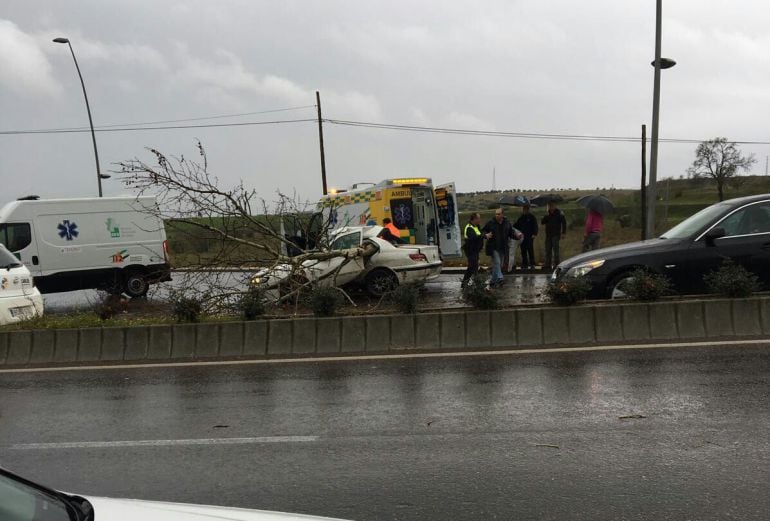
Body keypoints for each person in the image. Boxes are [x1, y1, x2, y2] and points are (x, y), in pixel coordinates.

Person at [482, 208, 522, 287]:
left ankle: (493, 281)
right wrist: (486, 235)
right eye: (496, 214)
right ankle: (500, 278)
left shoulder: (507, 223)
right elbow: (483, 231)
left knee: (499, 265)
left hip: (503, 247)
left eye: (499, 214)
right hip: (493, 246)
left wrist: (517, 237)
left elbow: (511, 233)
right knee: (497, 262)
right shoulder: (491, 223)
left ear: (503, 215)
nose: (497, 215)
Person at [541, 200, 567, 271]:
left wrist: (563, 233)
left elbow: (564, 223)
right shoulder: (548, 214)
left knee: (556, 251)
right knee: (548, 250)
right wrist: (545, 215)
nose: (551, 207)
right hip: (548, 234)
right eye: (549, 205)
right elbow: (542, 222)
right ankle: (548, 265)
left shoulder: (559, 213)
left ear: (555, 205)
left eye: (552, 205)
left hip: (556, 234)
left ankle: (556, 265)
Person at [461, 212, 484, 287]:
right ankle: (478, 285)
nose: (480, 220)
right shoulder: (469, 228)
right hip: (470, 250)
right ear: (474, 219)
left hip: (475, 250)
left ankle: (464, 283)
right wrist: (484, 236)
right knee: (474, 267)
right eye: (478, 218)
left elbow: (479, 235)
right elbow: (474, 238)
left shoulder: (476, 226)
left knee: (471, 267)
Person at [514, 204, 538, 270]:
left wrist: (534, 233)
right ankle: (525, 263)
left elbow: (535, 226)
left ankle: (532, 263)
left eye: (526, 209)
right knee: (523, 250)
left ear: (528, 209)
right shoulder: (521, 218)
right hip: (522, 237)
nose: (525, 210)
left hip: (530, 236)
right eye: (524, 209)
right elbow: (516, 226)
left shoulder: (532, 217)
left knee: (530, 250)